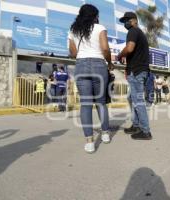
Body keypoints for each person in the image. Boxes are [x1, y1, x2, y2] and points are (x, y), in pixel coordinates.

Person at [69, 4, 115, 153]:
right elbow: (106, 49)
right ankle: (106, 133)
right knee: (101, 102)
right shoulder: (99, 28)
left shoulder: (73, 30)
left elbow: (73, 53)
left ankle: (89, 142)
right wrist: (109, 62)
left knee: (86, 104)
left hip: (81, 65)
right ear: (95, 15)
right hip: (98, 65)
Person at [118, 11, 152, 140]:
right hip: (136, 70)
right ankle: (136, 125)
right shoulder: (138, 33)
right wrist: (127, 68)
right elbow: (134, 54)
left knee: (137, 101)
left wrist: (121, 54)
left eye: (126, 20)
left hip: (137, 72)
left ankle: (145, 131)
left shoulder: (133, 31)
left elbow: (130, 48)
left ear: (134, 20)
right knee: (132, 99)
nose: (125, 23)